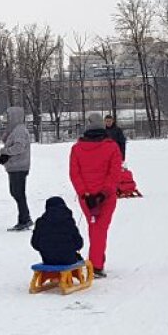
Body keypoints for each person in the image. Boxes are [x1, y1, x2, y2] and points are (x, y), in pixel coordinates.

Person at [69, 113, 123, 277]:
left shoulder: (77, 149)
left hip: (86, 198)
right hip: (106, 197)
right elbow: (115, 173)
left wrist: (84, 193)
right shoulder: (112, 147)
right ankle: (96, 264)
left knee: (94, 226)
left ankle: (97, 259)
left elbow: (74, 174)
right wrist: (103, 193)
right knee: (100, 228)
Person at [0, 106, 33, 231]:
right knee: (16, 192)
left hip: (19, 166)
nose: (6, 119)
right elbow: (9, 141)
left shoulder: (20, 131)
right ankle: (25, 218)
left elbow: (19, 147)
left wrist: (5, 152)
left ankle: (25, 219)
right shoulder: (14, 130)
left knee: (18, 193)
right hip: (14, 166)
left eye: (8, 116)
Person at [30, 196, 84, 266]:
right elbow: (79, 243)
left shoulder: (40, 222)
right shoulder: (68, 220)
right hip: (68, 260)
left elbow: (35, 243)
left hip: (48, 260)